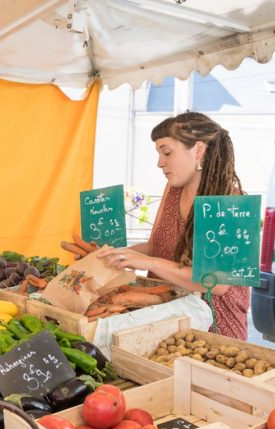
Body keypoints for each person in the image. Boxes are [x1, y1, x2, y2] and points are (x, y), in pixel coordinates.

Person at [98, 112, 250, 340]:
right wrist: (114, 255)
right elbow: (155, 246)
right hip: (165, 321)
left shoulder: (232, 203)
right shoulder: (172, 190)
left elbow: (217, 284)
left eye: (167, 152)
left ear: (199, 150)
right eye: (159, 154)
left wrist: (148, 263)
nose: (160, 162)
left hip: (215, 330)